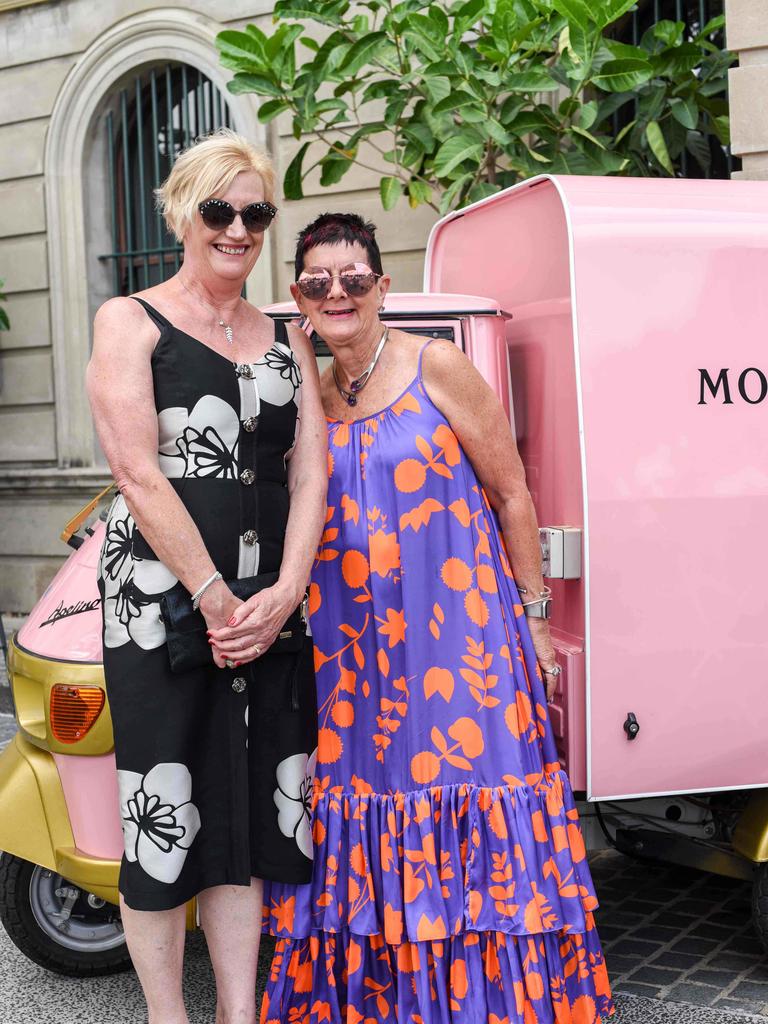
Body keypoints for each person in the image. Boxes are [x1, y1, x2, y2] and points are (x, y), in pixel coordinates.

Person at [258, 213, 614, 1023]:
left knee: (469, 801)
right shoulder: (305, 396)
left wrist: (533, 626)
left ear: (383, 286)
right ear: (298, 296)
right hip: (352, 658)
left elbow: (512, 494)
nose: (337, 293)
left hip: (462, 645)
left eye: (354, 278)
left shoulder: (437, 364)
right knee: (364, 805)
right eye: (319, 281)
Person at [86, 129, 327, 1024]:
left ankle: (237, 1014)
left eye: (256, 212)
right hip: (162, 605)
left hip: (268, 608)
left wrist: (288, 587)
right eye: (219, 210)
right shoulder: (129, 320)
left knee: (246, 810)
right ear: (184, 212)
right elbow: (137, 469)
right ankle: (166, 1015)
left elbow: (308, 472)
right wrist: (214, 594)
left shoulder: (285, 336)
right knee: (166, 804)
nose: (238, 229)